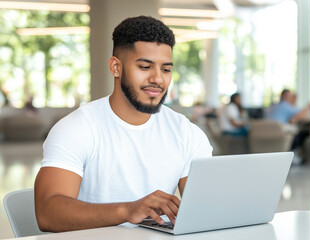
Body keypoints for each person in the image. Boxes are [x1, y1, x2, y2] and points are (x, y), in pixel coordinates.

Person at [34, 16, 213, 233]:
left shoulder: (186, 133)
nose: (158, 79)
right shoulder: (76, 128)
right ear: (116, 67)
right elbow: (47, 213)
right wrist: (128, 211)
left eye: (166, 69)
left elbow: (206, 210)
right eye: (145, 66)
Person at [267, 89, 310, 163]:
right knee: (297, 130)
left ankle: (293, 152)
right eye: (289, 96)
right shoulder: (285, 106)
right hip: (279, 129)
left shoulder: (274, 105)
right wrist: (309, 106)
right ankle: (293, 152)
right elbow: (301, 114)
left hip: (267, 130)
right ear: (285, 96)